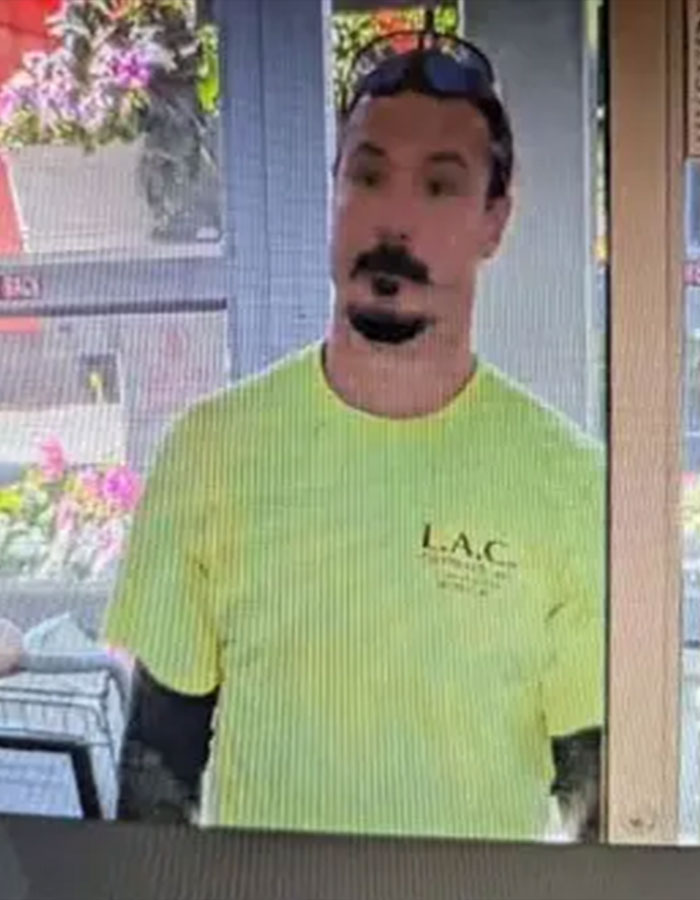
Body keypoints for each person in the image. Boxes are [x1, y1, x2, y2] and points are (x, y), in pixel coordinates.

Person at [103, 21, 604, 842]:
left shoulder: (572, 482)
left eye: (440, 187)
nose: (393, 221)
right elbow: (157, 775)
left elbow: (599, 810)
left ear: (495, 221)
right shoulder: (212, 452)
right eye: (368, 177)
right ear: (332, 192)